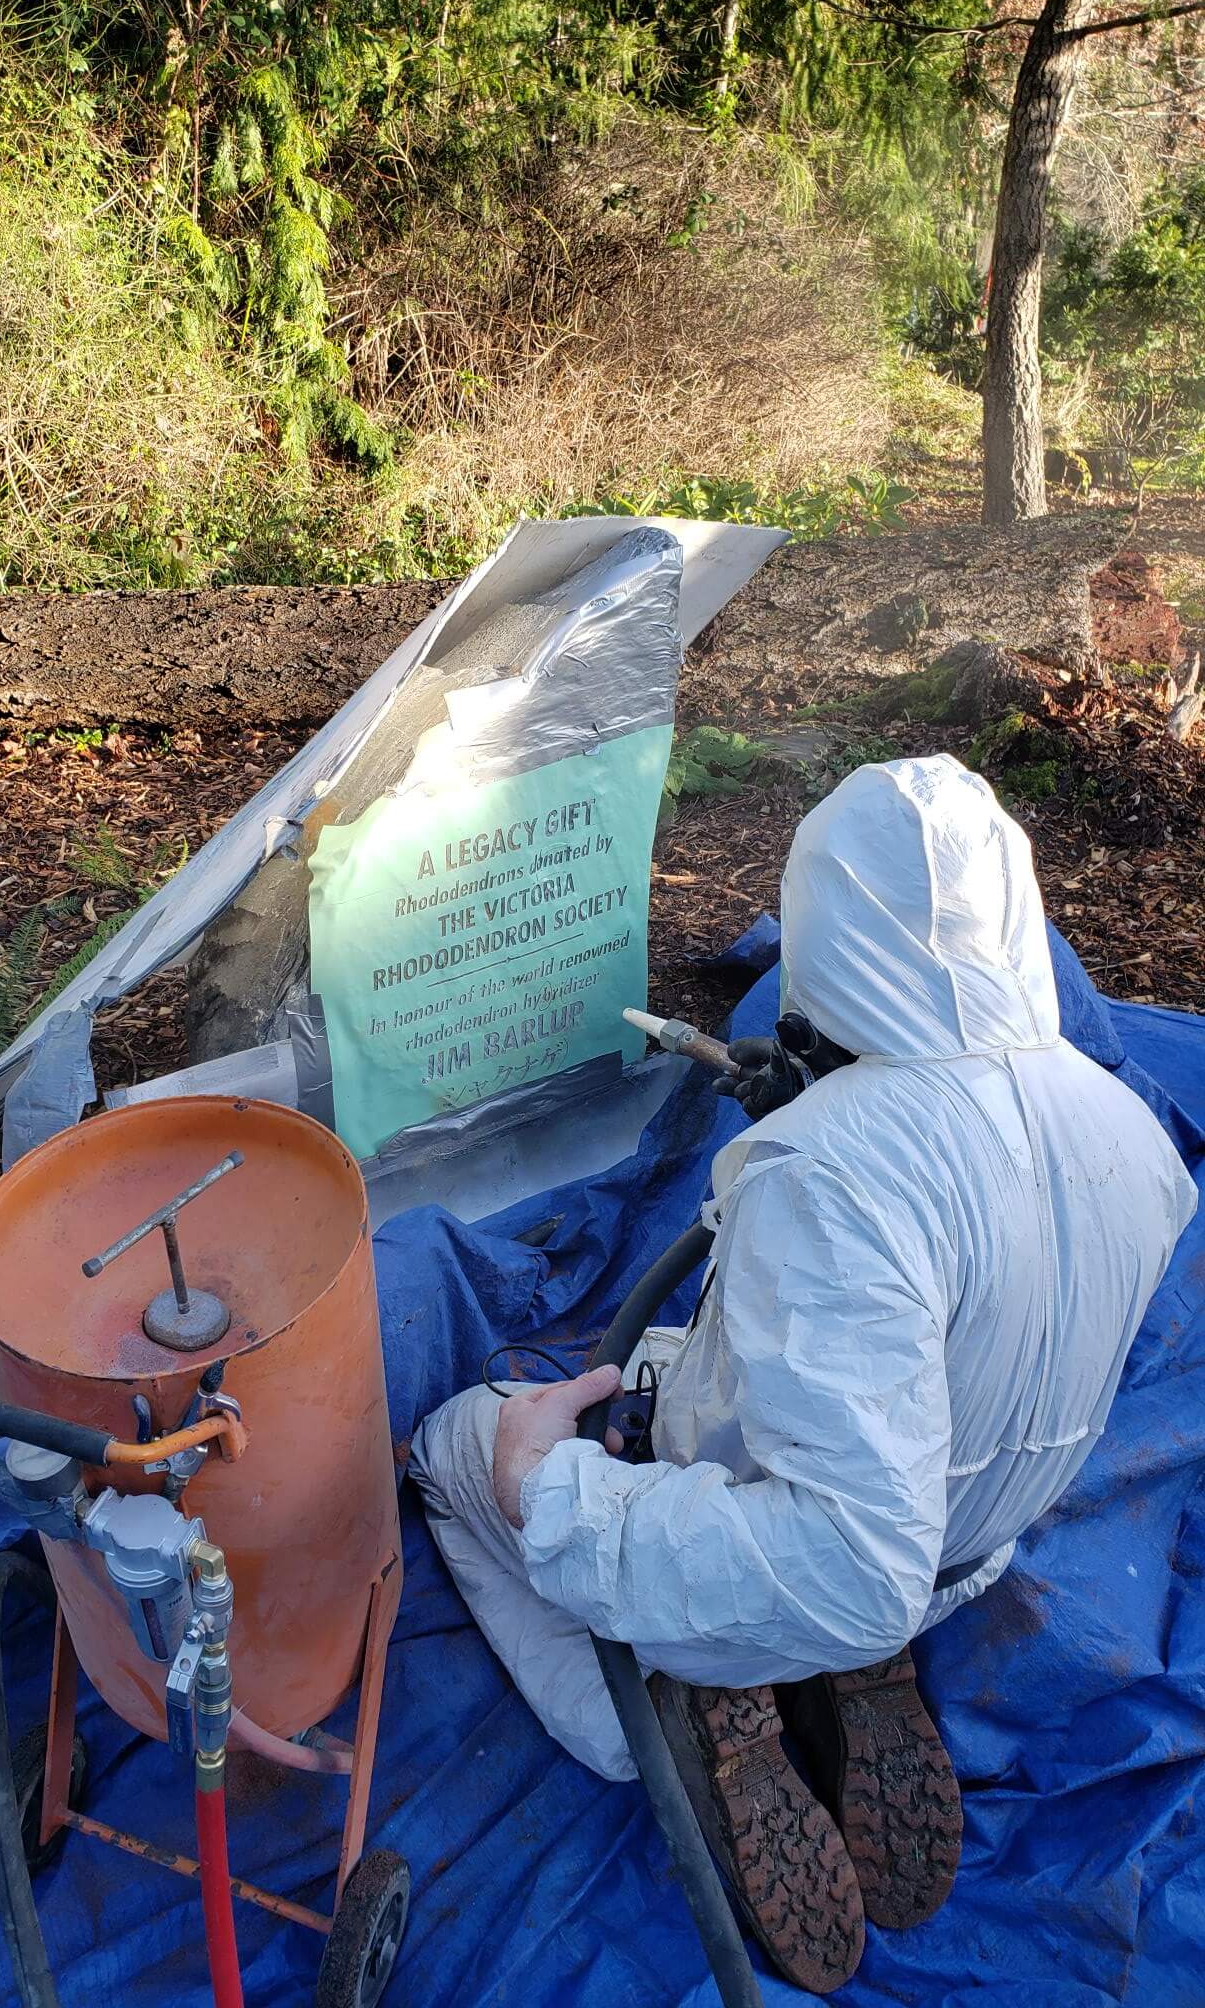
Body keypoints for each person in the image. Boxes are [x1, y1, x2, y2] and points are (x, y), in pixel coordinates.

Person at [410, 754, 1196, 1994]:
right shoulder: (1135, 1134)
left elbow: (843, 1562)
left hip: (838, 1558)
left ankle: (677, 1686)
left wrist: (547, 1495)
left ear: (824, 927)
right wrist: (835, 1099)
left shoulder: (830, 1179)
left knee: (461, 1447)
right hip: (967, 1534)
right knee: (772, 1433)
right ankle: (808, 1660)